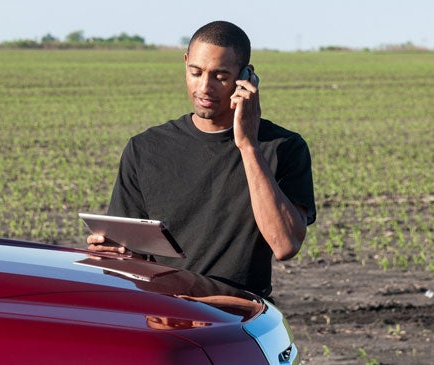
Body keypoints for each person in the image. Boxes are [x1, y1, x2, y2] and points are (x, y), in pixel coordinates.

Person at [87, 20, 316, 298]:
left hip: (239, 317)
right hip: (166, 315)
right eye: (196, 72)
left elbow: (285, 245)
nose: (204, 87)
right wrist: (112, 252)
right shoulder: (145, 148)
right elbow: (127, 256)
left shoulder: (283, 148)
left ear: (246, 76)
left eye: (220, 76)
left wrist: (248, 145)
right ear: (185, 63)